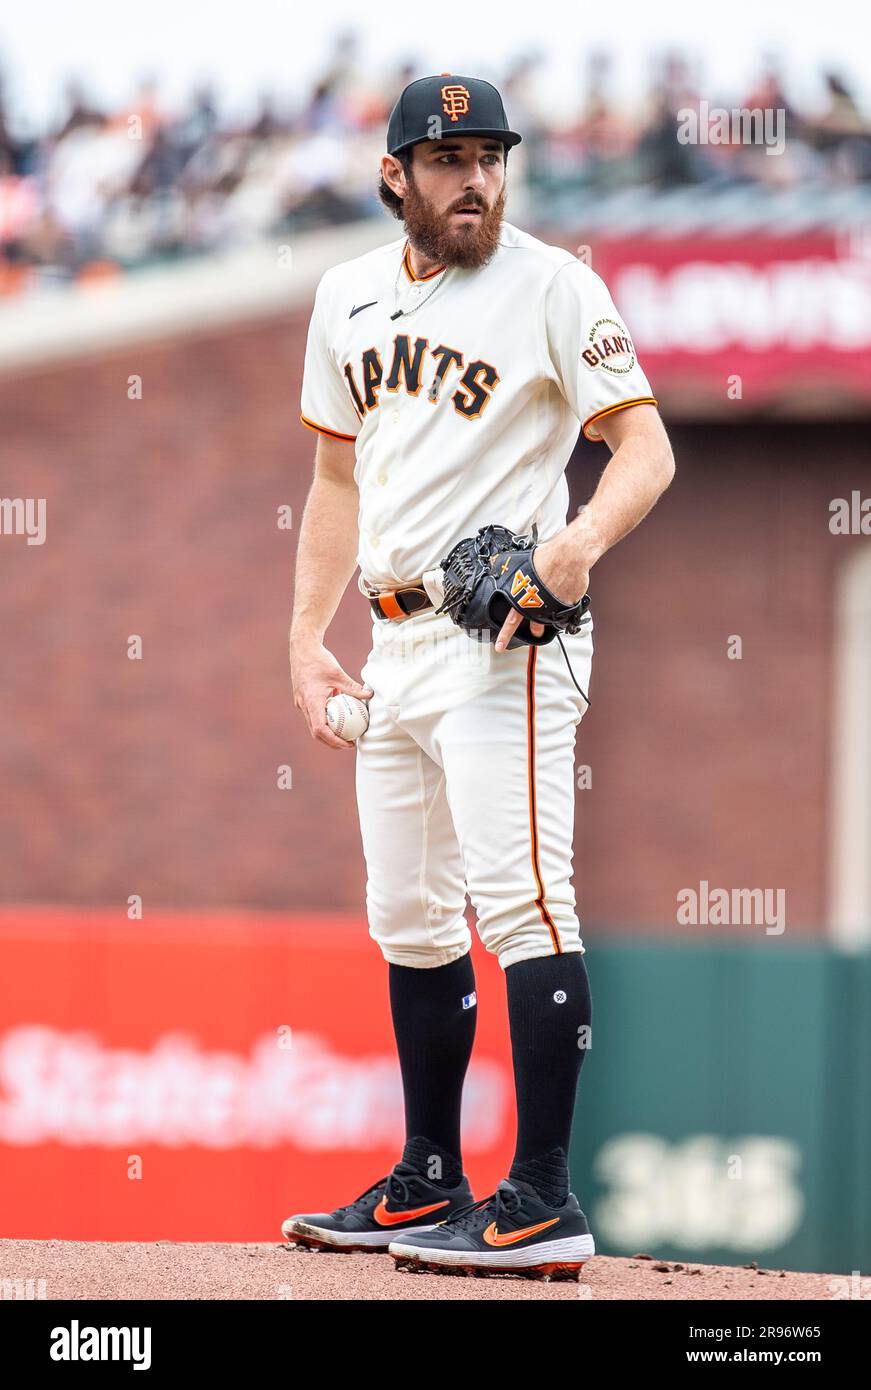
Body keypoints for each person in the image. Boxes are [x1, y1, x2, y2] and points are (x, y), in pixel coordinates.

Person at [284, 73, 674, 1279]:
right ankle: (427, 1172)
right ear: (393, 175)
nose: (475, 179)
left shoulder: (553, 285)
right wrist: (306, 638)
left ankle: (545, 1194)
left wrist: (571, 548)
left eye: (490, 154)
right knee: (406, 915)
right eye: (447, 157)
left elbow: (643, 450)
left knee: (523, 903)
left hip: (503, 632)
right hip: (393, 645)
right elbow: (337, 482)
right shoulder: (344, 295)